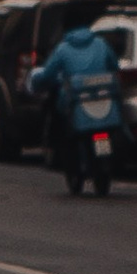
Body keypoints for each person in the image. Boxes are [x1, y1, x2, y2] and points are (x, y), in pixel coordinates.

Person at [30, 10, 121, 195]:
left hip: (75, 103)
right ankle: (103, 167)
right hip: (104, 101)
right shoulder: (101, 43)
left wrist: (39, 82)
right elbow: (114, 66)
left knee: (66, 132)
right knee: (107, 132)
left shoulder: (63, 49)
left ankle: (74, 168)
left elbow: (48, 74)